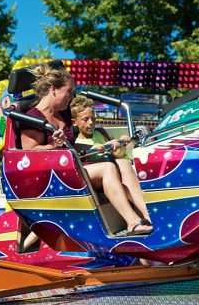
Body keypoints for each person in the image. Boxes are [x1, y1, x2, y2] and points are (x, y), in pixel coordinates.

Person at [19, 64, 153, 236]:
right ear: (54, 89)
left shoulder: (63, 114)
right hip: (55, 175)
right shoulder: (32, 117)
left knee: (122, 163)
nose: (72, 96)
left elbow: (71, 146)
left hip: (75, 166)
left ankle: (149, 216)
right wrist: (53, 145)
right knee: (107, 167)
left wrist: (97, 147)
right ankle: (132, 222)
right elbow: (29, 154)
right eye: (69, 91)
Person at [70, 96, 152, 227]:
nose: (91, 122)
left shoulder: (100, 132)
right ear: (75, 122)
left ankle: (148, 215)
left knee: (126, 165)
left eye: (93, 118)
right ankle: (141, 217)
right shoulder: (78, 145)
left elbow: (119, 154)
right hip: (108, 176)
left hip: (122, 169)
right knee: (123, 169)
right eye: (85, 119)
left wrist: (120, 144)